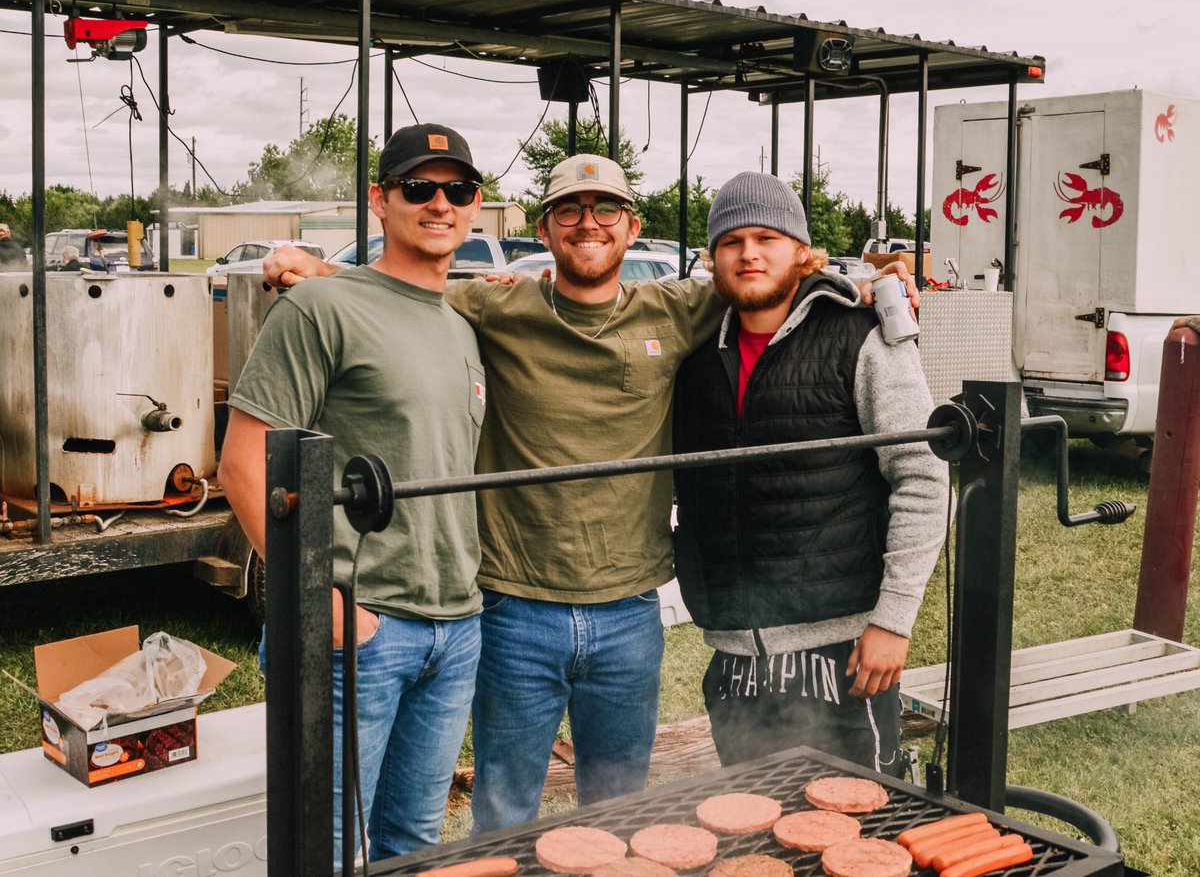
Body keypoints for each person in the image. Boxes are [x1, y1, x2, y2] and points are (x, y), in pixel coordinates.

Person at [264, 155, 920, 832]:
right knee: (505, 812)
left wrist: (876, 283)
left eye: (606, 208)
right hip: (516, 608)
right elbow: (409, 291)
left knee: (618, 813)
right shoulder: (495, 305)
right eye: (569, 209)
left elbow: (776, 278)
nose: (589, 223)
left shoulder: (679, 308)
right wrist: (321, 271)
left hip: (630, 614)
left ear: (632, 227)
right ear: (544, 229)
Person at [218, 123, 487, 865]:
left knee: (412, 847)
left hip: (453, 631)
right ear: (379, 199)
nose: (439, 203)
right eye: (418, 187)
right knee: (328, 853)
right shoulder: (319, 311)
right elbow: (242, 466)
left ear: (475, 204)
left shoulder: (461, 327)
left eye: (458, 190)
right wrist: (324, 605)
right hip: (359, 633)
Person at [671, 171, 948, 775]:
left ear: (802, 251)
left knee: (864, 817)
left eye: (766, 238)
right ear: (713, 258)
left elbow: (922, 477)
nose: (749, 253)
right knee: (751, 821)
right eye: (731, 241)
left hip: (844, 651)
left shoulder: (861, 336)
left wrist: (893, 622)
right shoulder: (692, 358)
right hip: (735, 655)